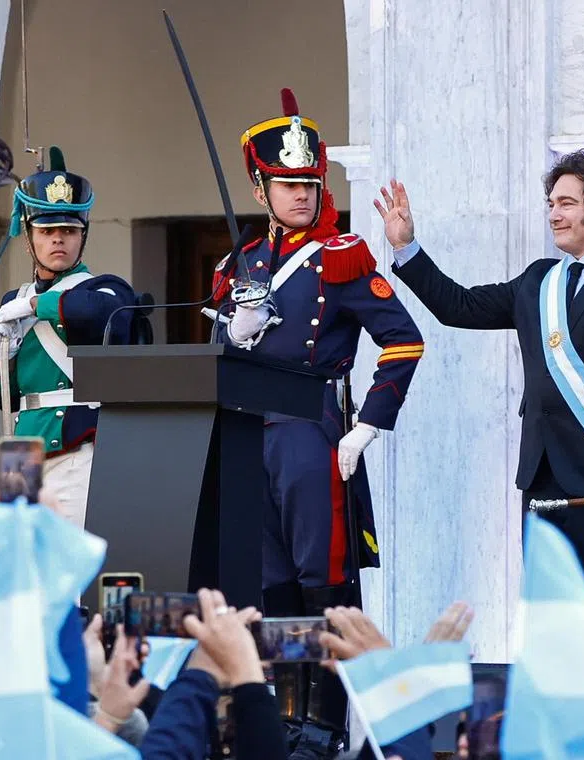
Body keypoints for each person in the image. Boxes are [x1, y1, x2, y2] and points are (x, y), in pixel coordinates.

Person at [378, 149, 584, 737]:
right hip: (544, 484)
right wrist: (407, 248)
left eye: (567, 203)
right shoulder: (538, 283)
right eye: (550, 203)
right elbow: (459, 308)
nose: (553, 214)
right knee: (554, 630)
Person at [210, 88, 424, 758]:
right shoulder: (239, 264)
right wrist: (237, 332)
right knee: (267, 585)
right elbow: (218, 355)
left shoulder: (342, 254)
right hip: (250, 429)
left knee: (321, 581)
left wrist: (370, 425)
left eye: (309, 183)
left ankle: (325, 723)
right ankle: (276, 720)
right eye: (287, 184)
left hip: (309, 426)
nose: (302, 195)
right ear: (261, 187)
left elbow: (403, 339)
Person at [0, 146, 138, 527]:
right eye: (48, 231)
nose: (59, 240)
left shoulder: (107, 288)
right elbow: (2, 394)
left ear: (82, 236)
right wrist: (3, 352)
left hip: (74, 444)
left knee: (66, 563)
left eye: (70, 231)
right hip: (21, 449)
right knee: (22, 568)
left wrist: (36, 306)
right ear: (29, 237)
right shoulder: (13, 300)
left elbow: (92, 312)